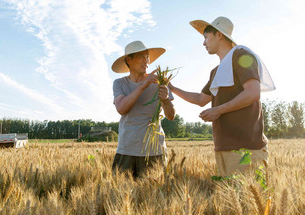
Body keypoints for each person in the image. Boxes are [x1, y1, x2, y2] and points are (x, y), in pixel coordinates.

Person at [169, 17, 275, 177]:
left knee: (246, 198)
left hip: (246, 147)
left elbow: (253, 92)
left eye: (206, 37)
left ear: (219, 34)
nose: (203, 43)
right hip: (224, 146)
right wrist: (172, 88)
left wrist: (218, 110)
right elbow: (200, 99)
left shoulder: (242, 56)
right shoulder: (216, 72)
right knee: (230, 199)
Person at [111, 40, 175, 178]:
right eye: (141, 56)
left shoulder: (160, 81)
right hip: (127, 149)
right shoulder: (120, 83)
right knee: (121, 194)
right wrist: (143, 85)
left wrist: (165, 101)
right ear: (129, 59)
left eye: (147, 57)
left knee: (153, 196)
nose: (146, 61)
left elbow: (170, 116)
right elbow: (121, 108)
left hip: (154, 151)